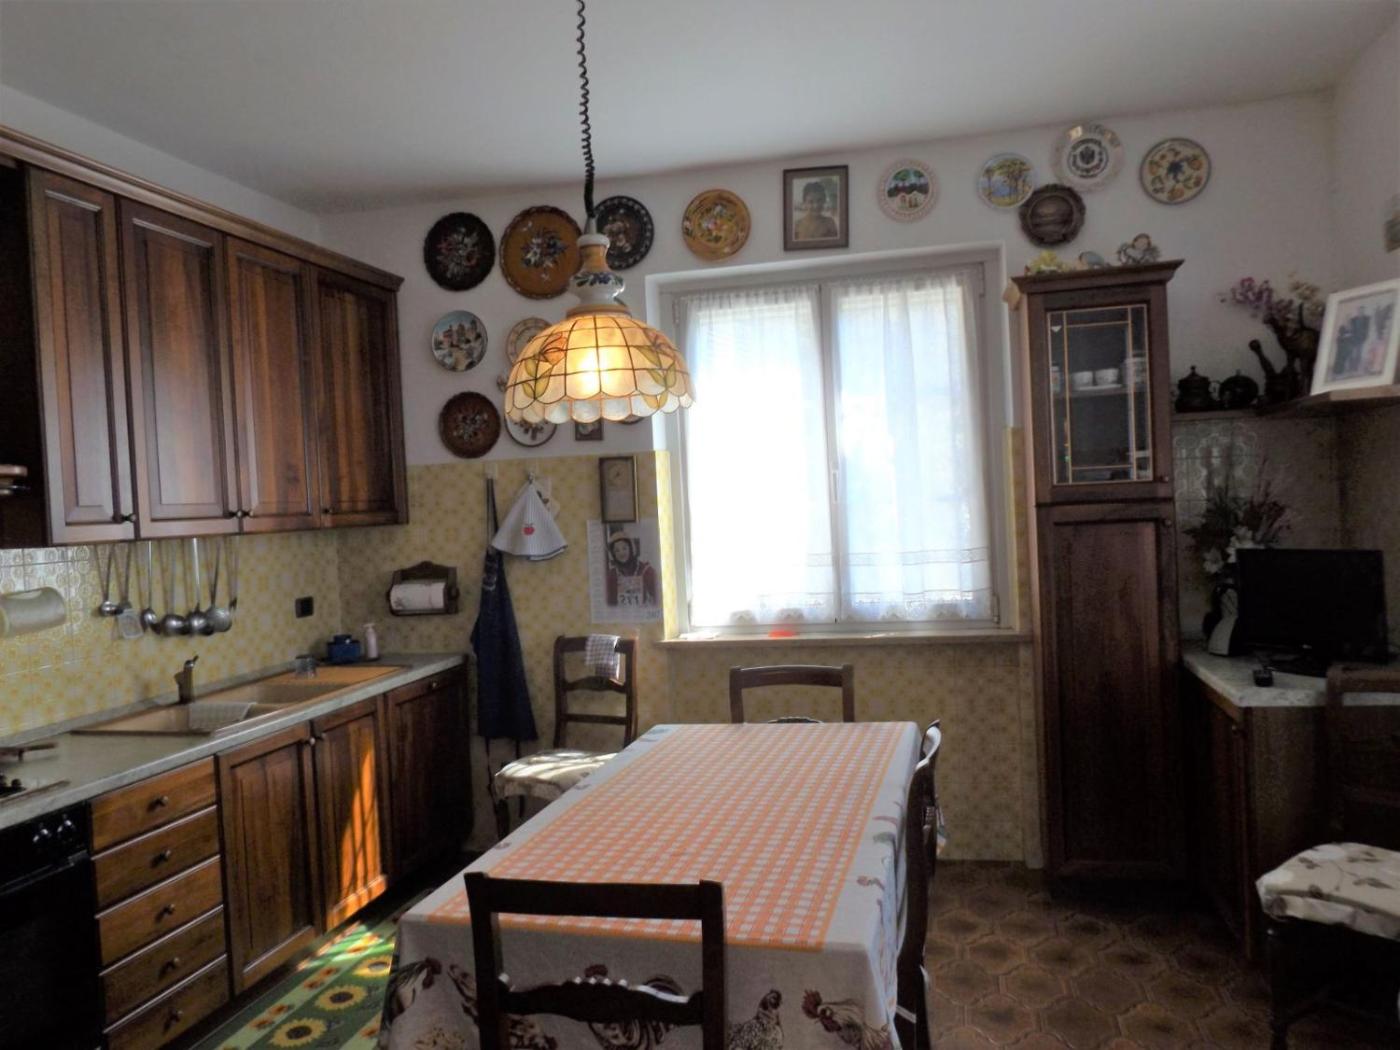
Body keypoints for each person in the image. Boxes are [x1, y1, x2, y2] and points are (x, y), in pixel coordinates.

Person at [605, 534, 656, 608]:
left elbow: (659, 598)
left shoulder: (647, 571)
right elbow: (610, 604)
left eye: (624, 548)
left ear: (632, 549)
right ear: (613, 555)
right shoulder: (611, 575)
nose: (621, 553)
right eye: (617, 550)